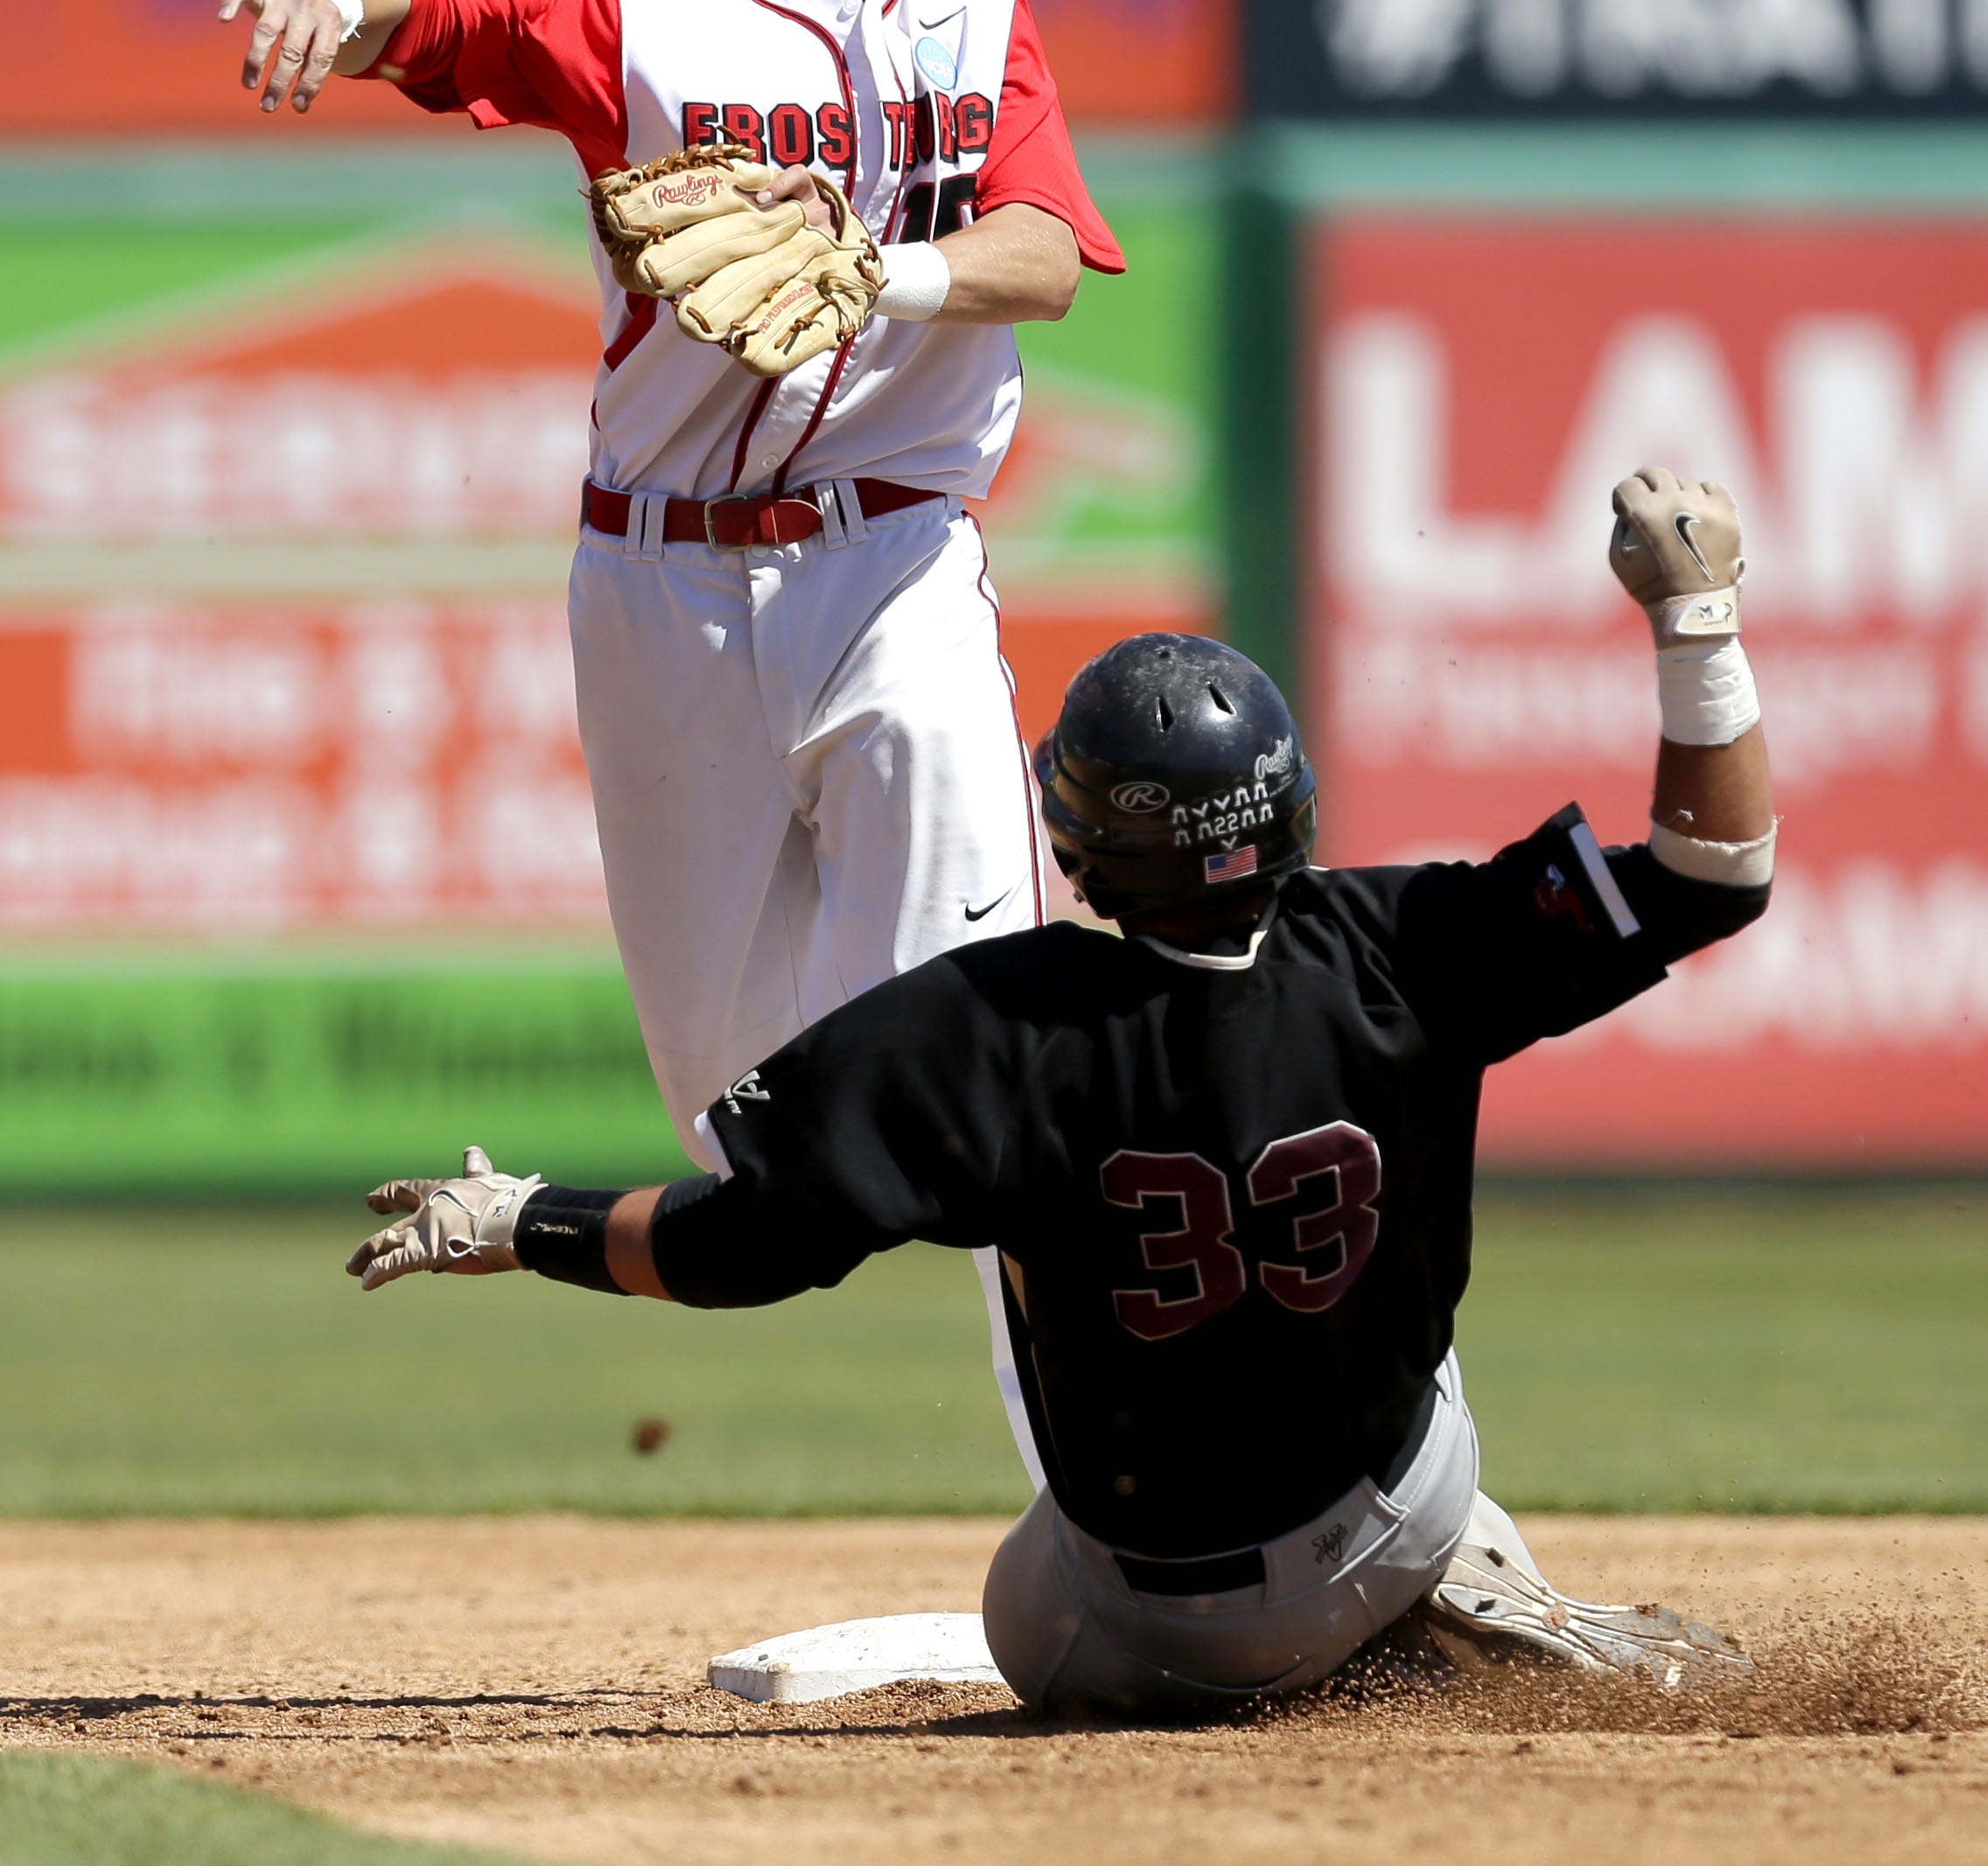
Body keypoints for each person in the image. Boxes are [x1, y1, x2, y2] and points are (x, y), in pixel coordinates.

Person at [348, 469, 1775, 1716]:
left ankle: (1341, 1637)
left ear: (1079, 849)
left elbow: (734, 1252)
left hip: (1162, 1620)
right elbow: (1714, 876)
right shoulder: (1403, 944)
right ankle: (1449, 1582)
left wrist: (513, 1219)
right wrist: (1694, 620)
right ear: (1290, 804)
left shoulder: (985, 1024)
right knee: (1389, 1279)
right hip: (1397, 1515)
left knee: (1026, 1611)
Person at [215, 0, 1125, 1167]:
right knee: (737, 1123)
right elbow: (442, 17)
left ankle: (1093, 1382)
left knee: (982, 1053)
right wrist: (330, 1)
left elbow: (1039, 252)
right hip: (663, 586)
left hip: (893, 561)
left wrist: (872, 274)